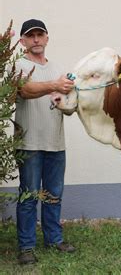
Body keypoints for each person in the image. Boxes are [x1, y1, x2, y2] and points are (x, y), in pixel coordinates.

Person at [15, 19, 76, 265]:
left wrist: (65, 100)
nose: (36, 40)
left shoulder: (58, 69)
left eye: (40, 35)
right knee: (28, 197)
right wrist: (53, 85)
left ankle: (54, 239)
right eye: (31, 36)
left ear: (47, 38)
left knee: (54, 195)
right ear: (22, 41)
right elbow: (24, 90)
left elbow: (70, 109)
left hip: (55, 143)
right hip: (28, 144)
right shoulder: (18, 65)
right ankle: (27, 247)